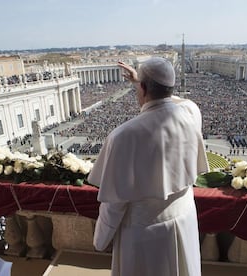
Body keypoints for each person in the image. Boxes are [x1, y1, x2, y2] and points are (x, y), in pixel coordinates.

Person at [87, 57, 209, 276]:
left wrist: (100, 240)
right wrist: (141, 81)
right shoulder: (192, 114)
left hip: (145, 234)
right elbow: (177, 102)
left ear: (142, 87)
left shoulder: (123, 136)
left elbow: (114, 204)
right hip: (185, 219)